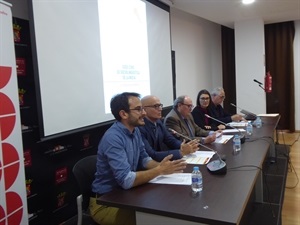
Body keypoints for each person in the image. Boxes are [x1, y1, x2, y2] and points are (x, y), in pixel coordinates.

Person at [89, 92, 187, 225]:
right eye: (139, 109)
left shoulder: (134, 131)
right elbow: (126, 180)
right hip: (106, 203)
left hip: (126, 196)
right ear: (123, 114)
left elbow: (145, 160)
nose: (144, 113)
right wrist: (159, 170)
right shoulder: (113, 138)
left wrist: (165, 168)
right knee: (154, 219)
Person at [139, 95, 199, 162]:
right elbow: (151, 154)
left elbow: (170, 140)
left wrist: (183, 146)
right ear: (143, 109)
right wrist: (181, 152)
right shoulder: (140, 127)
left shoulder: (158, 122)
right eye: (156, 106)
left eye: (160, 105)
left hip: (161, 161)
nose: (160, 109)